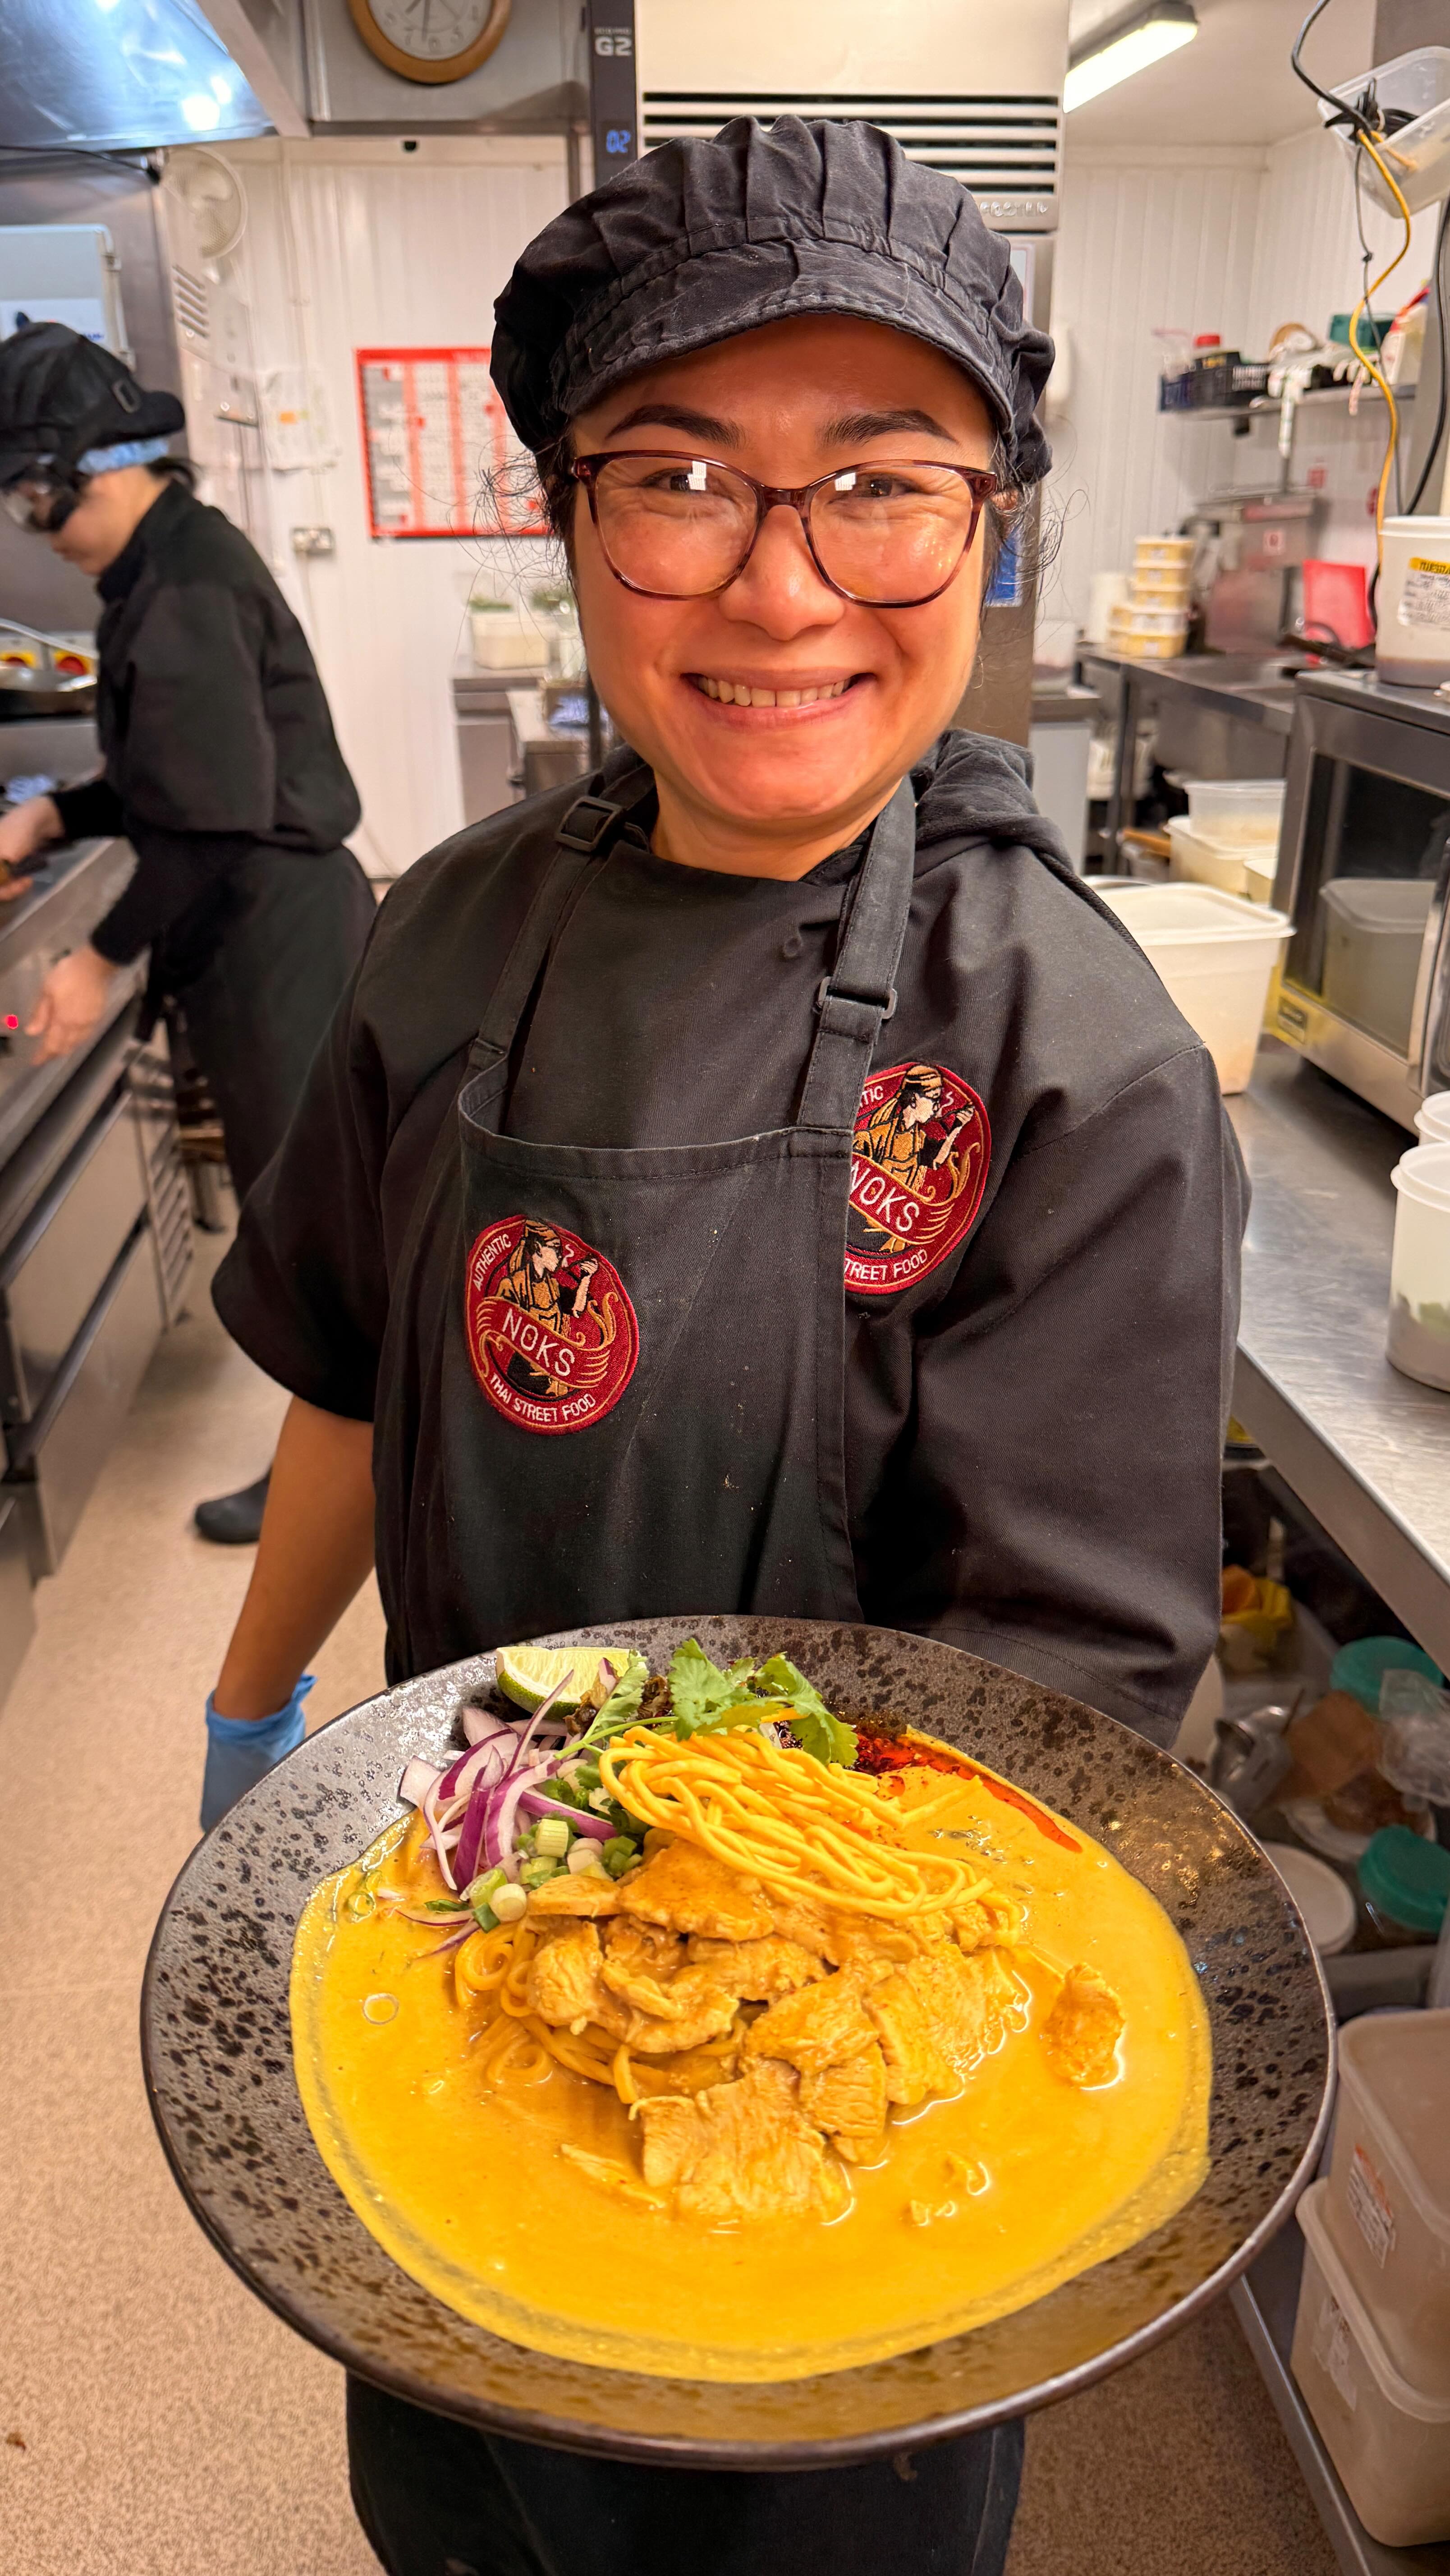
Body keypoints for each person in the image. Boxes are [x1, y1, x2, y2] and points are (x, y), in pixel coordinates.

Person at [201, 118, 1245, 2576]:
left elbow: (1057, 1721)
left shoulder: (1065, 1053)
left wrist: (745, 2029)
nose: (782, 588)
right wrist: (256, 1716)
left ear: (992, 523)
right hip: (478, 1920)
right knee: (463, 2505)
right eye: (678, 479)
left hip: (847, 2060)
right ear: (569, 521)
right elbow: (352, 1361)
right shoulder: (448, 933)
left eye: (882, 485)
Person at [0, 322, 374, 1543]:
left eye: (31, 506)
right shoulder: (167, 568)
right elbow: (180, 777)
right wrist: (54, 811)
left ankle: (339, 1479)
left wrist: (95, 961)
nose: (34, 534)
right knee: (308, 1217)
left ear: (82, 475)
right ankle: (350, 1456)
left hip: (277, 936)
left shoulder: (185, 585)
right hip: (266, 925)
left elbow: (209, 824)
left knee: (302, 1224)